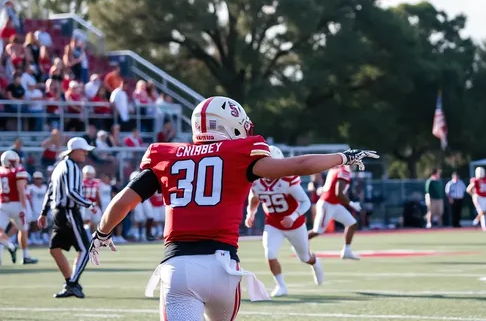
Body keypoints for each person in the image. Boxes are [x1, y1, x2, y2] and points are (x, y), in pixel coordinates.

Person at [88, 96, 378, 321]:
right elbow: (299, 165)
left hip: (179, 267)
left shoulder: (167, 155)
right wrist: (344, 156)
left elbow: (123, 202)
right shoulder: (240, 154)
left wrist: (101, 234)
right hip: (223, 267)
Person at [245, 145, 323, 297]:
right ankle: (281, 286)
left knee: (304, 258)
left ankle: (315, 262)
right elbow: (254, 197)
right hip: (273, 222)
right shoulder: (256, 182)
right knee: (270, 253)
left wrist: (292, 217)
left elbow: (305, 202)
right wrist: (251, 213)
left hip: (295, 223)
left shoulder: (288, 180)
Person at [38, 137, 98, 298]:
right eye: (83, 150)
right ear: (75, 151)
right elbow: (71, 192)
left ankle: (70, 282)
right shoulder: (71, 167)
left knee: (54, 249)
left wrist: (43, 213)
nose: (86, 153)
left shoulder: (59, 166)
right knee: (86, 249)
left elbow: (50, 191)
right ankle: (72, 284)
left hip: (57, 212)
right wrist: (89, 204)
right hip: (69, 212)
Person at [308, 165, 362, 260]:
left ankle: (346, 251)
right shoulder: (344, 171)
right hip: (327, 204)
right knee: (317, 231)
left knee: (352, 223)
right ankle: (298, 243)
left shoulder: (336, 169)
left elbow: (332, 188)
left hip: (334, 204)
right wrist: (351, 204)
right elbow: (338, 193)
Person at [0, 150, 38, 264]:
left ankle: (9, 248)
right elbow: (21, 190)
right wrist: (23, 207)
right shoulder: (19, 171)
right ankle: (25, 256)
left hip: (2, 204)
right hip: (17, 204)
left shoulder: (1, 171)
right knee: (23, 230)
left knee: (0, 231)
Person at [27, 171, 48, 245]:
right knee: (34, 223)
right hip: (34, 207)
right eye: (37, 178)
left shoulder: (45, 187)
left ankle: (40, 237)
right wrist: (31, 206)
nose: (38, 180)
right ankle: (33, 237)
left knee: (43, 223)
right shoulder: (31, 187)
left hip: (42, 207)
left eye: (39, 178)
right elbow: (29, 197)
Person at [467, 167, 486, 232]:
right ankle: (483, 227)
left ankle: (476, 221)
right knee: (481, 211)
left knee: (484, 212)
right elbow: (468, 189)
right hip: (478, 197)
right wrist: (473, 195)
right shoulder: (475, 180)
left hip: (485, 197)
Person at [81, 165, 102, 233]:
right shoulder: (81, 182)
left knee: (96, 221)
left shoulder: (97, 182)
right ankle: (86, 237)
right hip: (85, 205)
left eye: (90, 173)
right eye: (87, 173)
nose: (88, 175)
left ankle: (93, 237)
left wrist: (99, 204)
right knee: (85, 221)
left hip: (94, 204)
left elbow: (98, 194)